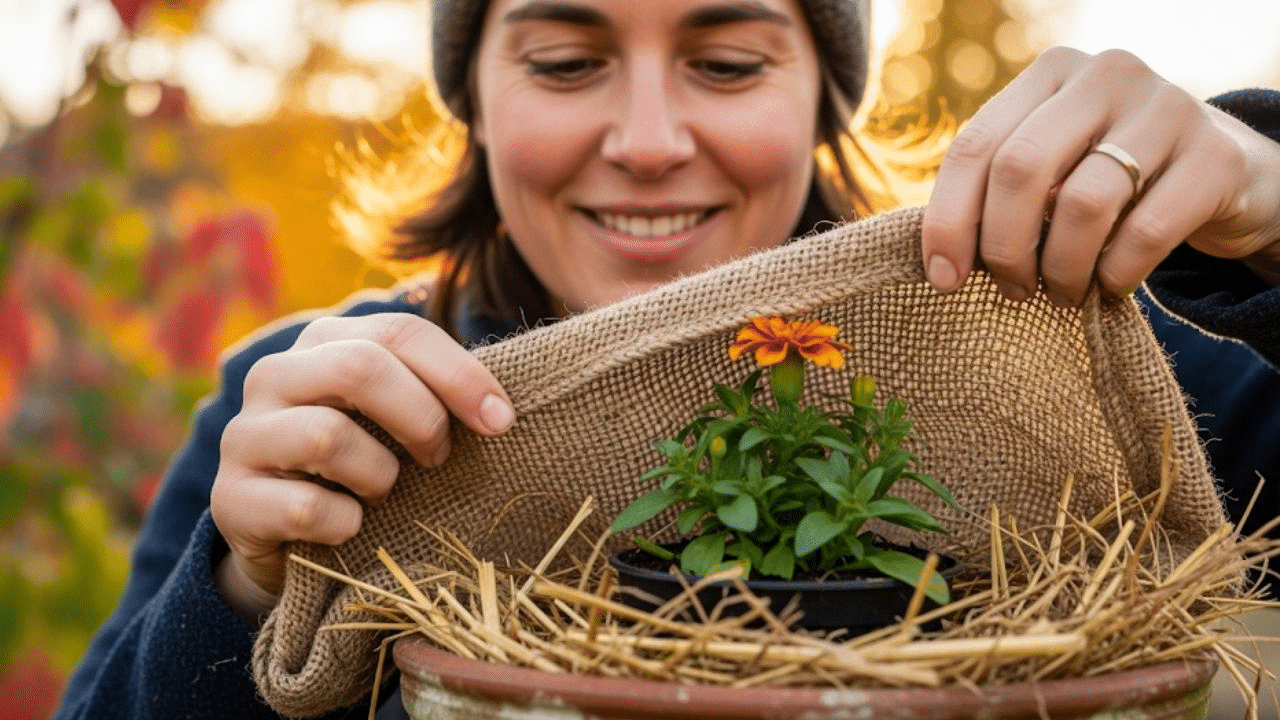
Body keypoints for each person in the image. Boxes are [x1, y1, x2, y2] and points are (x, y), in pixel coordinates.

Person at [54, 0, 1280, 717]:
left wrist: (1270, 212)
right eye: (564, 59)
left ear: (821, 99)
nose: (647, 141)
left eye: (728, 61)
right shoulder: (317, 401)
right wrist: (249, 589)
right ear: (473, 98)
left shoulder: (1068, 370)